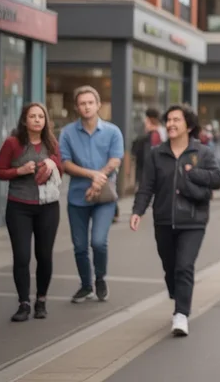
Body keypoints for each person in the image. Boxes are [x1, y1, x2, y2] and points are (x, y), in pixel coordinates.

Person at [131, 104, 220, 337]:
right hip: (163, 219)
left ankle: (181, 314)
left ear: (188, 125)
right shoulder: (156, 154)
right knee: (170, 266)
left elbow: (216, 179)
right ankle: (177, 291)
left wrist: (193, 172)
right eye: (168, 120)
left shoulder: (201, 153)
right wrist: (137, 211)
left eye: (176, 120)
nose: (171, 124)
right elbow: (147, 186)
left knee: (184, 266)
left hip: (193, 220)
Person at [0, 103, 64, 322]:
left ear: (45, 121)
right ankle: (23, 303)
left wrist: (52, 164)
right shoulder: (12, 143)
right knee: (22, 256)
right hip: (19, 206)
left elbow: (61, 169)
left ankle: (41, 300)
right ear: (24, 120)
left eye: (41, 116)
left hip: (48, 207)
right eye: (32, 116)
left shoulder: (51, 143)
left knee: (44, 256)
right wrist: (19, 171)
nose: (37, 120)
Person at [59, 85, 124, 304]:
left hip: (104, 198)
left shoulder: (113, 131)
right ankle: (86, 285)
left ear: (98, 105)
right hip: (77, 197)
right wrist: (92, 175)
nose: (86, 107)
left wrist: (99, 180)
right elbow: (65, 163)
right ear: (77, 107)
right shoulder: (67, 133)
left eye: (90, 103)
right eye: (82, 103)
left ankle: (100, 278)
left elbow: (116, 160)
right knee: (79, 246)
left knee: (98, 242)